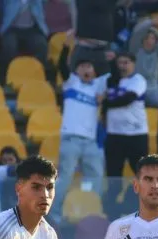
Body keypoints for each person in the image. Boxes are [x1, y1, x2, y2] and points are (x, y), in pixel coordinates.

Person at [54, 36, 108, 219]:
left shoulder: (98, 86)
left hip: (91, 142)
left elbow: (113, 73)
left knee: (96, 177)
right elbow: (62, 66)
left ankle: (91, 212)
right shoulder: (71, 82)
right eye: (82, 66)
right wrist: (65, 48)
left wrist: (107, 56)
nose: (86, 69)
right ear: (76, 70)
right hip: (71, 139)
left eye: (89, 67)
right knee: (65, 179)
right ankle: (54, 214)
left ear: (94, 71)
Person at [102, 51, 149, 214]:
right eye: (120, 62)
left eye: (126, 62)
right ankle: (111, 213)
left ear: (133, 64)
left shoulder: (138, 80)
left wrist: (106, 102)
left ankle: (132, 206)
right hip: (115, 135)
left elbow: (127, 99)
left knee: (142, 175)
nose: (123, 66)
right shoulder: (109, 81)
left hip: (136, 135)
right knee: (114, 178)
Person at [0, 0, 49, 67]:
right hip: (12, 29)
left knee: (42, 45)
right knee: (9, 46)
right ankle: (12, 70)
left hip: (32, 29)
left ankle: (35, 70)